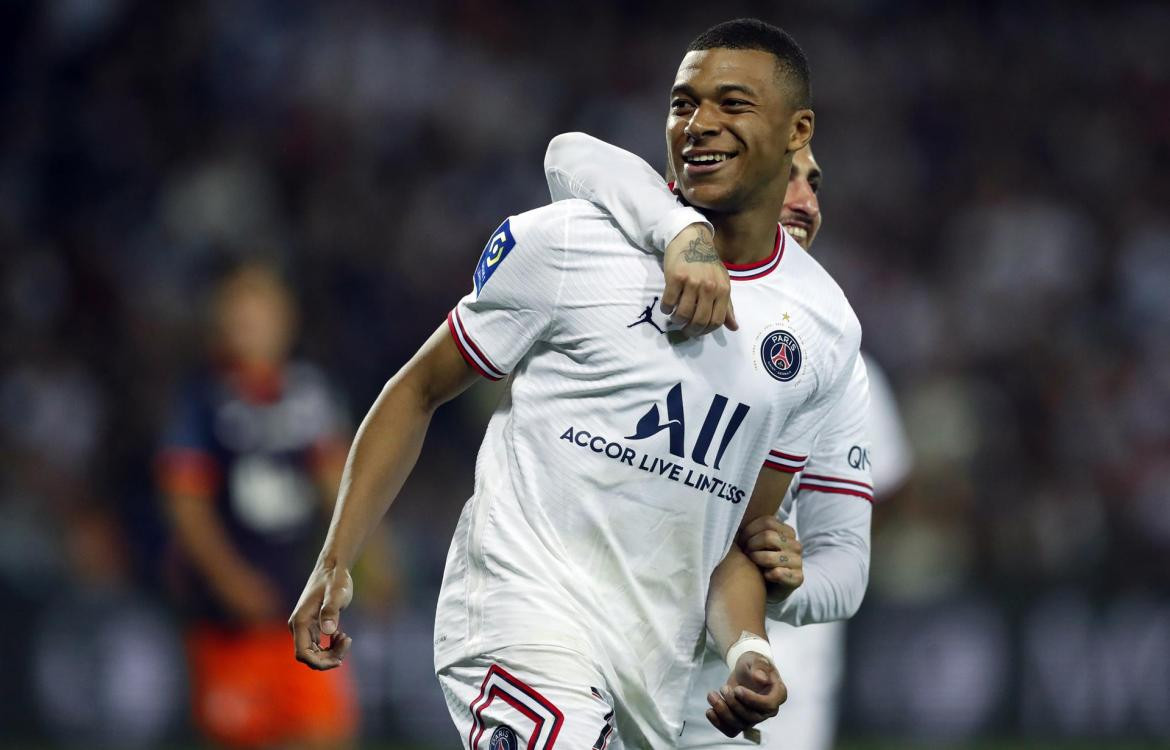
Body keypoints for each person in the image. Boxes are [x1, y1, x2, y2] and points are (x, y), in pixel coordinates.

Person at [288, 18, 863, 748]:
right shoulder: (573, 242)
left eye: (732, 104)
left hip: (647, 672)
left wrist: (748, 650)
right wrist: (337, 559)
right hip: (518, 613)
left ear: (796, 129)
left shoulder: (822, 329)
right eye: (683, 103)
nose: (699, 124)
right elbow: (418, 389)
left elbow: (735, 541)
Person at [542, 135, 913, 749]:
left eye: (813, 183)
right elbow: (569, 153)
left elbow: (847, 566)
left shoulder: (838, 361)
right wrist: (679, 231)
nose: (805, 202)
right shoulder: (633, 299)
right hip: (594, 661)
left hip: (745, 695)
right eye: (783, 177)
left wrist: (792, 582)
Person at [156, 262, 360, 749]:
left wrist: (365, 557)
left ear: (286, 321)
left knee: (325, 734)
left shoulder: (309, 391)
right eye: (241, 316)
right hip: (229, 615)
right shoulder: (203, 398)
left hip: (300, 599)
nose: (252, 328)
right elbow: (186, 502)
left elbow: (339, 481)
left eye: (262, 315)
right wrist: (229, 579)